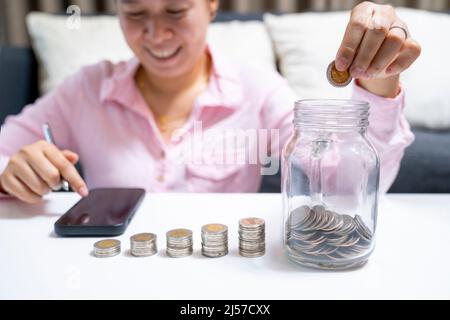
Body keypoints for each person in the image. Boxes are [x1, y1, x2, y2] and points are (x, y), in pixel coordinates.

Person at [0, 0, 421, 204]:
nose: (156, 36)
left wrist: (380, 83)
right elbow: (5, 150)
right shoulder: (85, 89)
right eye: (135, 14)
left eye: (175, 12)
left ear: (211, 6)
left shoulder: (259, 91)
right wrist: (10, 171)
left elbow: (346, 189)